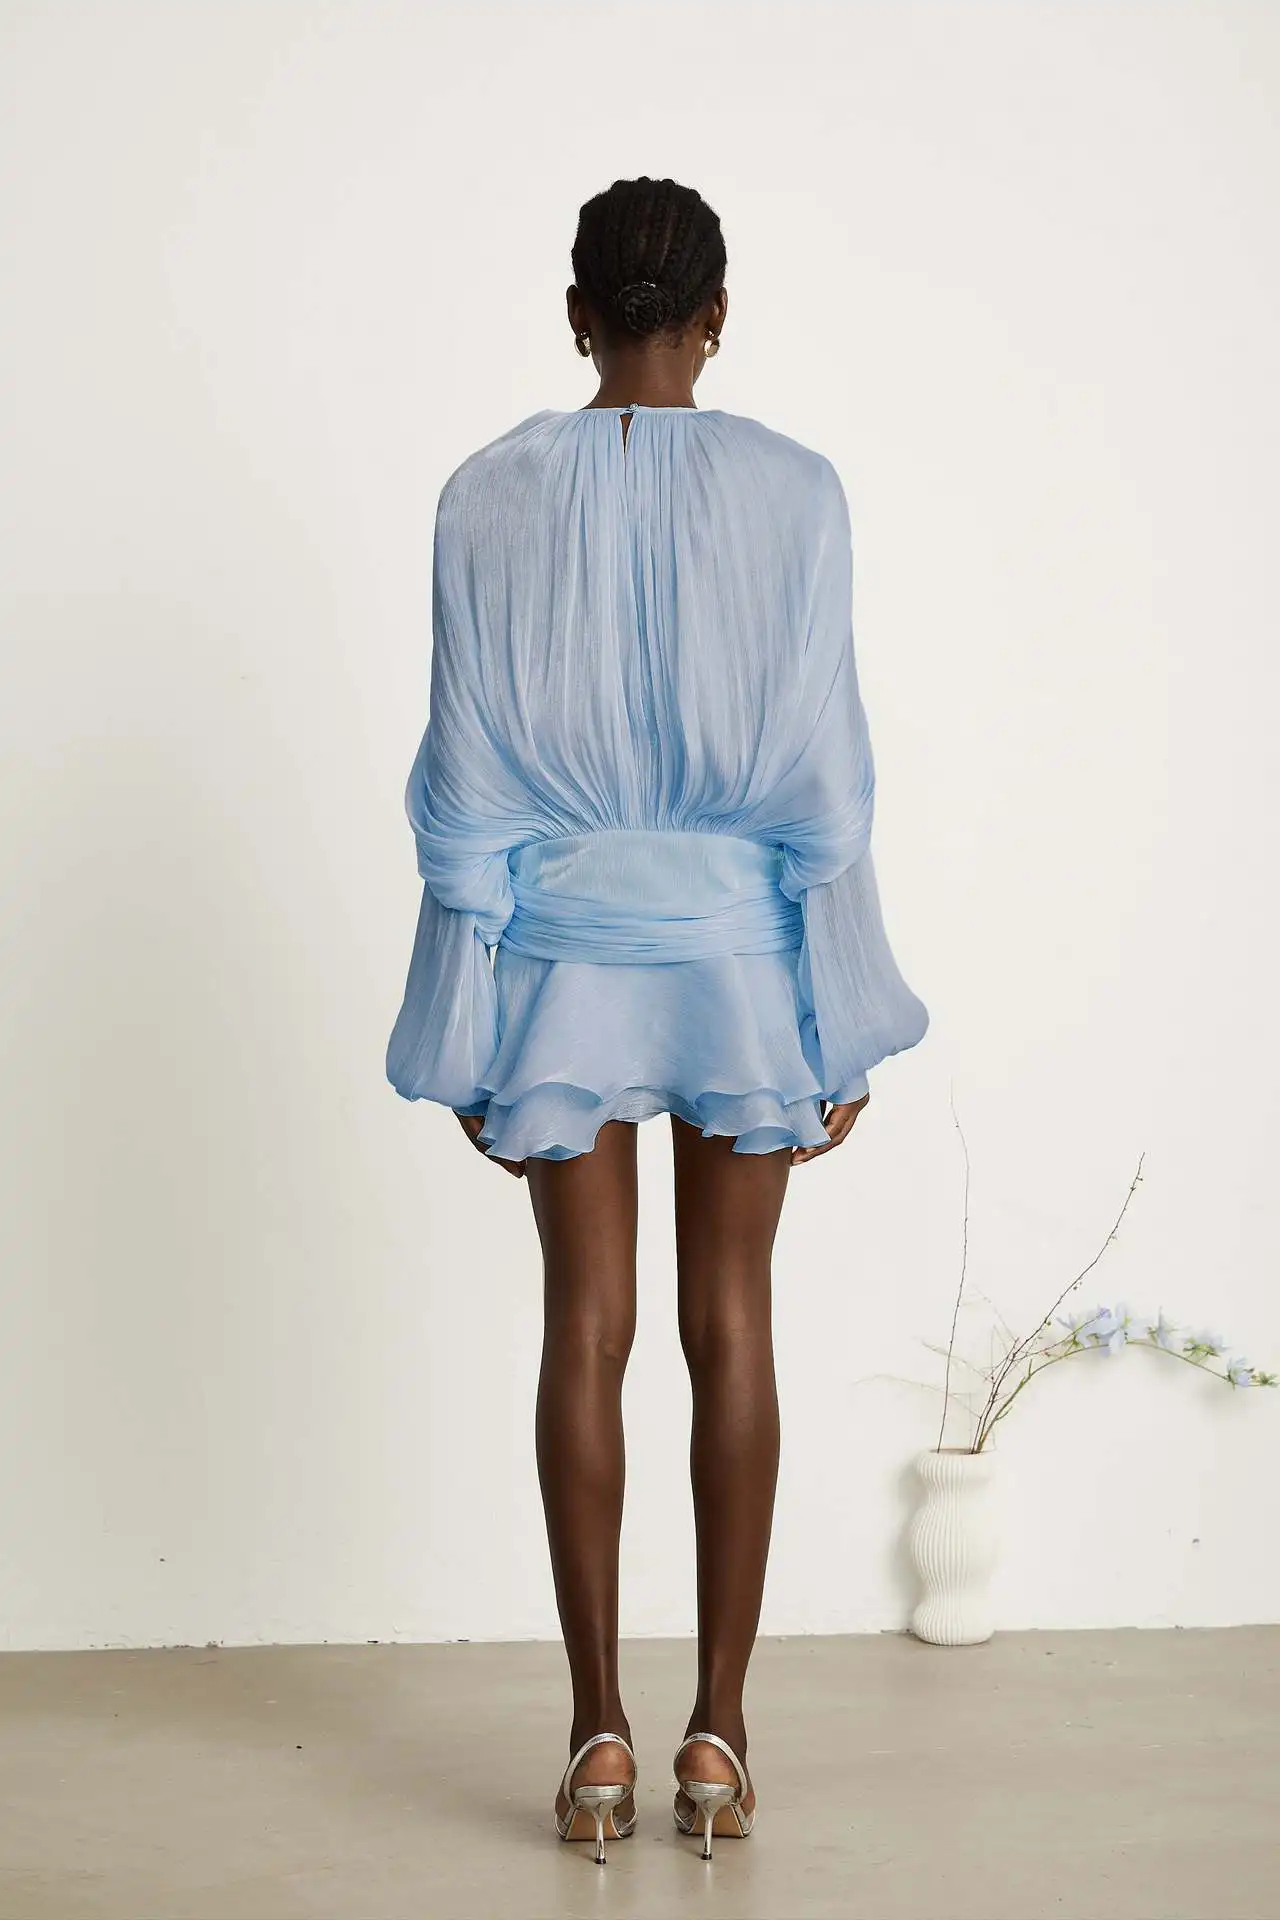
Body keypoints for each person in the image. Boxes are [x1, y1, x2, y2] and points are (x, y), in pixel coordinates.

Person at [386, 175, 929, 1864]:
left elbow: (465, 790)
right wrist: (838, 1010)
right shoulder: (798, 492)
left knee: (587, 1323)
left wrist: (466, 1014)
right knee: (732, 1320)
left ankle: (596, 1737)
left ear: (575, 316)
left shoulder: (485, 496)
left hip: (560, 954)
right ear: (717, 319)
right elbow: (826, 785)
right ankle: (721, 1733)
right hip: (741, 955)